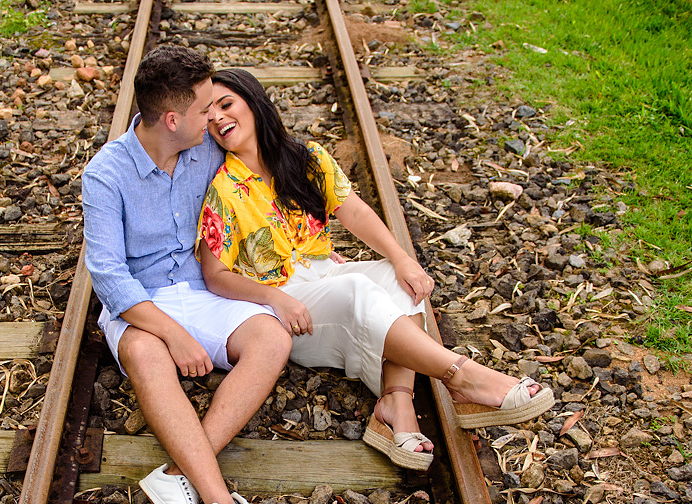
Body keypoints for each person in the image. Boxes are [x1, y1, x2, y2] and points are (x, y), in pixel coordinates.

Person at [197, 69, 554, 471]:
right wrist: (275, 297)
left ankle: (394, 404)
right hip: (285, 304)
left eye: (226, 105)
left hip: (326, 275)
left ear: (254, 101)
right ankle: (461, 375)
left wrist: (401, 259)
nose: (219, 120)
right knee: (356, 290)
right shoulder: (224, 188)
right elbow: (215, 275)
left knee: (398, 283)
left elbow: (354, 211)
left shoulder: (307, 158)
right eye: (208, 116)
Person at [82, 48, 292, 504]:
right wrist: (173, 335)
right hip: (142, 301)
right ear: (172, 120)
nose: (214, 120)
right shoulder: (106, 174)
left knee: (271, 339)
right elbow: (107, 276)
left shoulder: (205, 151)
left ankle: (177, 474)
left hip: (202, 289)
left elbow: (262, 191)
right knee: (147, 354)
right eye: (204, 110)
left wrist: (315, 246)